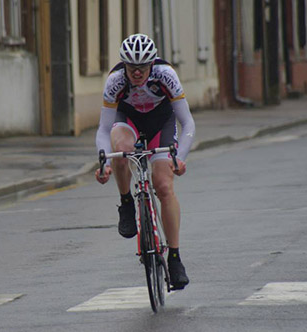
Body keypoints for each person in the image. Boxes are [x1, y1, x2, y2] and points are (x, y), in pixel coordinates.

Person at [95, 33, 195, 290]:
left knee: (163, 185)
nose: (136, 73)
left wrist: (179, 159)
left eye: (142, 67)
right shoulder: (115, 81)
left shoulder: (166, 75)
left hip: (161, 122)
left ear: (152, 64)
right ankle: (127, 202)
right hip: (128, 121)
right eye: (131, 67)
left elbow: (188, 123)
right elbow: (104, 129)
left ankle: (174, 257)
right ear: (124, 66)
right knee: (121, 149)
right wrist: (104, 161)